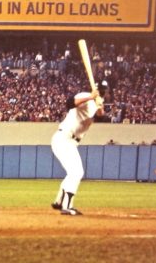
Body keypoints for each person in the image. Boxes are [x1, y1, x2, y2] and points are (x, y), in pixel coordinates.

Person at [50, 81, 108, 215]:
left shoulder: (97, 101)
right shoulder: (86, 95)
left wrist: (99, 105)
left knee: (73, 172)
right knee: (77, 172)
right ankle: (67, 206)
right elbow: (69, 103)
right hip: (64, 138)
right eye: (102, 89)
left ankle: (59, 202)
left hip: (71, 141)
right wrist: (91, 97)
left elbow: (101, 116)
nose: (104, 92)